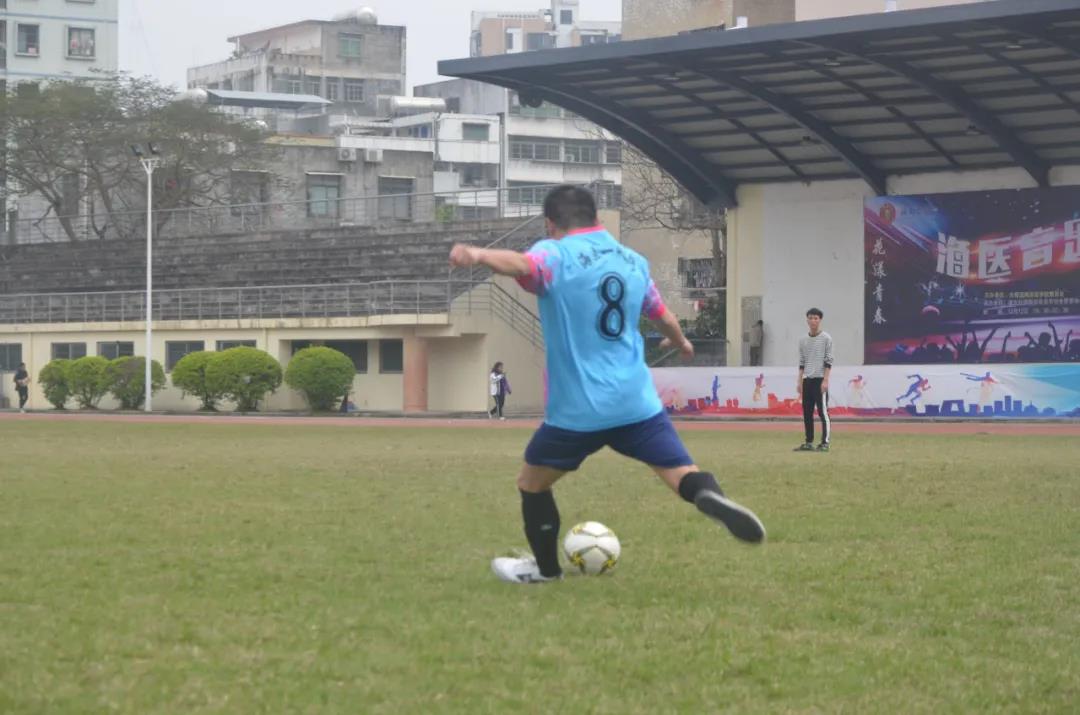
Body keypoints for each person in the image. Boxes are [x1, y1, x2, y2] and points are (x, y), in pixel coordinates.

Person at [449, 185, 765, 585]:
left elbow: (522, 264)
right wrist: (681, 341)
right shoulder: (633, 261)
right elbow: (662, 314)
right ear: (596, 218)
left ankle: (546, 571)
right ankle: (706, 492)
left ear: (550, 224)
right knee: (680, 473)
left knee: (532, 484)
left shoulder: (555, 254)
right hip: (636, 404)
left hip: (578, 410)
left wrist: (478, 255)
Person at [795, 308, 833, 452]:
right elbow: (802, 362)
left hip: (820, 379)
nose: (813, 321)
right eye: (810, 318)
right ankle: (809, 442)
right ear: (807, 320)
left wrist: (826, 380)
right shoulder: (803, 340)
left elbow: (829, 360)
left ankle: (825, 443)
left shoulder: (826, 338)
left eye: (816, 318)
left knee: (823, 412)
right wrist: (799, 381)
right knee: (807, 412)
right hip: (807, 380)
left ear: (820, 320)